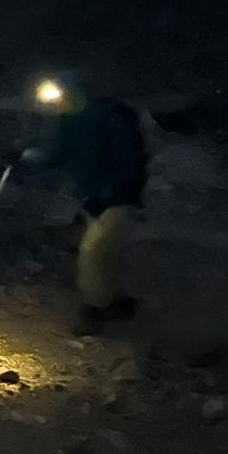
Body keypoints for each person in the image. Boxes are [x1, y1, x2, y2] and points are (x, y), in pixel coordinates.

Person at [20, 73, 149, 334]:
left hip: (118, 198)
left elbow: (130, 161)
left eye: (58, 100)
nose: (54, 107)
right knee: (102, 254)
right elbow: (54, 155)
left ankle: (98, 310)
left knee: (92, 251)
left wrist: (111, 193)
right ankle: (111, 303)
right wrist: (23, 159)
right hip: (93, 197)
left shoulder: (110, 118)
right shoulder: (70, 121)